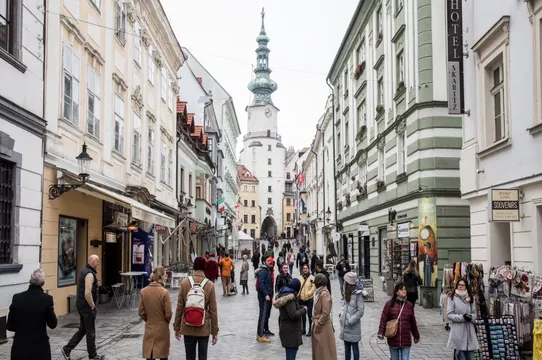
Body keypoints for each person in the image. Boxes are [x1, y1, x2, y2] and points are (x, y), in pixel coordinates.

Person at [174, 256, 218, 360]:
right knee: (203, 357)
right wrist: (214, 332)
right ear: (205, 267)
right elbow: (213, 311)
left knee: (189, 357)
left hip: (187, 325)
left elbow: (180, 307)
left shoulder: (185, 282)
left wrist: (176, 327)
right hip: (204, 326)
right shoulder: (209, 285)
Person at [7, 269, 57, 360]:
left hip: (20, 347)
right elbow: (53, 324)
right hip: (40, 349)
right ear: (43, 283)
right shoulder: (47, 299)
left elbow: (10, 325)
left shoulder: (17, 298)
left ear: (29, 281)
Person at [62, 255, 104, 360]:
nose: (98, 264)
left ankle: (67, 349)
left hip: (82, 305)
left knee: (83, 329)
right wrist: (92, 306)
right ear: (93, 262)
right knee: (90, 332)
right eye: (97, 262)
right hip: (86, 306)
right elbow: (87, 293)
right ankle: (93, 355)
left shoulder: (84, 270)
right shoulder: (89, 274)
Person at [377, 282, 420, 360]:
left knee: (405, 358)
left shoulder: (409, 305)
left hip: (406, 339)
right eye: (401, 289)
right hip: (393, 338)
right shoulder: (389, 304)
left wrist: (416, 335)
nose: (404, 291)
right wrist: (381, 332)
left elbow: (413, 323)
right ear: (396, 292)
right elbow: (383, 319)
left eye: (405, 289)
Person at [138, 266, 172, 360]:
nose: (166, 276)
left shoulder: (143, 291)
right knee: (163, 354)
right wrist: (165, 321)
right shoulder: (164, 292)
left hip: (150, 326)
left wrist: (148, 319)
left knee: (150, 353)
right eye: (165, 274)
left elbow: (141, 311)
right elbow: (168, 313)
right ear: (161, 276)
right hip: (162, 327)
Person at [273, 278, 307, 360]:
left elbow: (292, 310)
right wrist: (304, 310)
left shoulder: (285, 295)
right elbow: (293, 315)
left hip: (287, 330)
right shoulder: (289, 299)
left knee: (290, 355)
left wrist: (300, 307)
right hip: (290, 332)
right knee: (291, 356)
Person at [446, 277, 478, 360]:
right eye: (459, 285)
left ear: (466, 287)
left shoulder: (470, 298)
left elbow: (475, 314)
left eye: (463, 285)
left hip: (469, 332)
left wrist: (470, 317)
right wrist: (462, 317)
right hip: (458, 332)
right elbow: (449, 314)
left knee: (470, 357)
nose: (460, 286)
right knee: (461, 357)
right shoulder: (452, 297)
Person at [339, 272, 365, 360]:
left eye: (345, 281)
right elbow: (344, 305)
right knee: (346, 350)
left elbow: (360, 311)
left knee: (355, 349)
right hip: (345, 326)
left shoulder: (358, 294)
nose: (344, 283)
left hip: (353, 326)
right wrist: (341, 315)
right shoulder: (347, 292)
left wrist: (351, 321)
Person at [311, 273, 337, 360]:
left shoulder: (324, 294)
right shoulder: (318, 292)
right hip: (320, 326)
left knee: (325, 352)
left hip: (324, 327)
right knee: (319, 351)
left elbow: (326, 312)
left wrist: (318, 324)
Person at [256, 256, 274, 342]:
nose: (270, 262)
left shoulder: (266, 270)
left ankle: (259, 333)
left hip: (266, 297)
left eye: (270, 261)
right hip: (264, 298)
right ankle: (261, 336)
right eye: (268, 261)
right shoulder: (263, 271)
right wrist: (266, 295)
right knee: (263, 316)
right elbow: (260, 284)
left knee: (263, 315)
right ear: (264, 262)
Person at [297, 263, 316, 336]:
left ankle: (310, 329)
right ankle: (303, 329)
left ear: (308, 269)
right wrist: (298, 295)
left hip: (309, 299)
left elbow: (314, 287)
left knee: (310, 315)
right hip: (301, 299)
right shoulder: (300, 278)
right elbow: (298, 287)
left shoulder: (312, 278)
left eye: (306, 268)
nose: (305, 270)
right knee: (303, 315)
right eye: (304, 268)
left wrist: (309, 293)